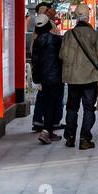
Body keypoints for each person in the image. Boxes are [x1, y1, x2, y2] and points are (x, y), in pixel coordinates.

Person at [58, 3, 98, 150]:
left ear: (75, 17)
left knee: (72, 108)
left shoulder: (68, 35)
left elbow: (61, 55)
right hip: (89, 78)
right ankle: (85, 138)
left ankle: (70, 137)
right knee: (88, 108)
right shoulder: (93, 34)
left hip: (73, 78)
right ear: (88, 17)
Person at [29, 8, 64, 144]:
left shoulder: (37, 43)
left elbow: (35, 63)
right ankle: (47, 131)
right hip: (56, 77)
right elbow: (62, 57)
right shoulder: (56, 40)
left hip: (44, 78)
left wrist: (37, 79)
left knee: (46, 103)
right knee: (53, 104)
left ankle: (48, 130)